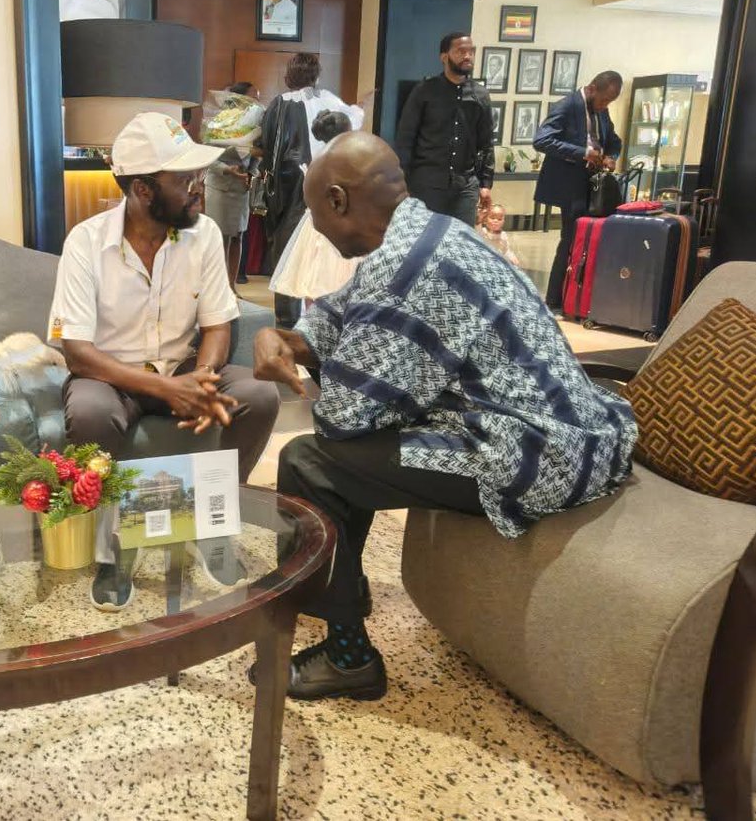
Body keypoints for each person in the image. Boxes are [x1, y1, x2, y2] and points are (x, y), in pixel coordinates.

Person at [252, 131, 637, 700]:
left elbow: (343, 418)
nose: (317, 229)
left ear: (337, 200)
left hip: (532, 452)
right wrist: (282, 335)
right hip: (563, 428)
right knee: (333, 456)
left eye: (314, 214)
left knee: (311, 460)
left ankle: (348, 655)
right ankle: (341, 586)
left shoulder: (408, 270)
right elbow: (343, 310)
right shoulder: (431, 232)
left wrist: (309, 365)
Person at [48, 112, 281, 609]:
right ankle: (113, 545)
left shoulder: (206, 235)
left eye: (197, 176)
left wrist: (203, 379)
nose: (199, 188)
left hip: (181, 368)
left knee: (258, 394)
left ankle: (210, 520)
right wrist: (164, 391)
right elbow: (76, 350)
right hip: (110, 376)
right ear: (143, 190)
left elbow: (218, 324)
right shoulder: (85, 243)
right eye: (184, 180)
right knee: (88, 413)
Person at [259, 53, 364, 328]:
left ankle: (286, 321)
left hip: (291, 188)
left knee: (287, 253)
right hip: (330, 191)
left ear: (289, 75)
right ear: (316, 75)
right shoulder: (331, 101)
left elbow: (266, 143)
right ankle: (327, 320)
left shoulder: (280, 103)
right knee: (325, 258)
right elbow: (353, 122)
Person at [534, 70, 623, 311]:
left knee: (593, 236)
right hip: (569, 181)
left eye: (610, 102)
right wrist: (583, 153)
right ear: (592, 88)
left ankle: (581, 295)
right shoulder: (567, 105)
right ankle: (555, 298)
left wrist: (612, 157)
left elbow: (614, 141)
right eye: (604, 100)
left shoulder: (602, 111)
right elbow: (541, 140)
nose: (605, 106)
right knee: (571, 238)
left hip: (593, 182)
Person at [395, 32, 495, 226]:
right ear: (444, 56)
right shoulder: (425, 90)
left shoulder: (480, 95)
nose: (467, 56)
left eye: (471, 52)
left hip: (465, 186)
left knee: (462, 243)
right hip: (426, 184)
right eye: (460, 51)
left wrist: (486, 184)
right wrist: (402, 180)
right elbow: (406, 138)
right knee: (423, 242)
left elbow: (487, 142)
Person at [269, 110, 360, 305]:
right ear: (346, 132)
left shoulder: (318, 159)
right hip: (339, 225)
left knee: (313, 278)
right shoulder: (349, 161)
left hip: (315, 225)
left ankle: (314, 326)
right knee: (337, 279)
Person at [204, 82, 256, 295]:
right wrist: (228, 169)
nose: (257, 102)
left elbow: (256, 154)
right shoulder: (216, 123)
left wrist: (252, 172)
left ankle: (231, 286)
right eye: (253, 97)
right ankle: (217, 290)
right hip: (219, 188)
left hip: (241, 188)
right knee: (219, 239)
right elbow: (207, 158)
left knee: (238, 237)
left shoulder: (254, 125)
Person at [476, 202, 520, 267]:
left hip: (498, 263)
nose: (496, 221)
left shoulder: (503, 235)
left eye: (499, 219)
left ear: (503, 221)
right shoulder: (483, 232)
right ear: (485, 220)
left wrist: (511, 257)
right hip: (484, 261)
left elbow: (506, 250)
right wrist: (480, 218)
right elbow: (477, 226)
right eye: (492, 218)